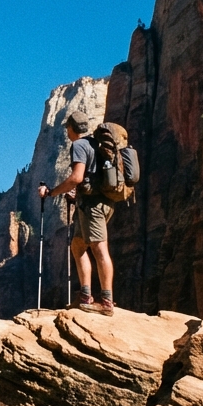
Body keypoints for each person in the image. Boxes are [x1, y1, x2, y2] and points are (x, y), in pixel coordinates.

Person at [37, 112, 136, 315]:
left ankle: (106, 302)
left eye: (67, 128)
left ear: (71, 128)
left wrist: (52, 192)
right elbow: (91, 178)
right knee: (78, 245)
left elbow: (77, 177)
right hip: (95, 203)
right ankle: (85, 296)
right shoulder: (94, 143)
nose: (67, 132)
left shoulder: (79, 146)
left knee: (99, 249)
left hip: (94, 206)